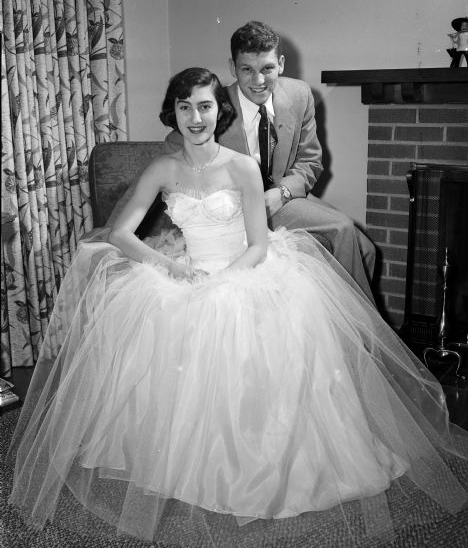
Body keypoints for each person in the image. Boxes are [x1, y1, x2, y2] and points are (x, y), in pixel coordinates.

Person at [8, 68, 468, 548]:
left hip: (247, 271)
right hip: (187, 271)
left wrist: (224, 282)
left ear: (218, 111)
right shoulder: (162, 169)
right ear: (173, 112)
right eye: (184, 106)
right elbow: (121, 234)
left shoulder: (242, 167)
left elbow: (258, 243)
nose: (195, 116)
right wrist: (170, 267)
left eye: (205, 106)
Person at [166, 20, 376, 300]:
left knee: (366, 250)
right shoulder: (215, 103)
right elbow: (174, 143)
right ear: (232, 68)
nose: (259, 81)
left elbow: (310, 161)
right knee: (343, 229)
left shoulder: (300, 95)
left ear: (281, 63)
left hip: (281, 196)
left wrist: (283, 193)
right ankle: (363, 339)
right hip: (236, 207)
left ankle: (346, 325)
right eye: (247, 70)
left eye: (267, 68)